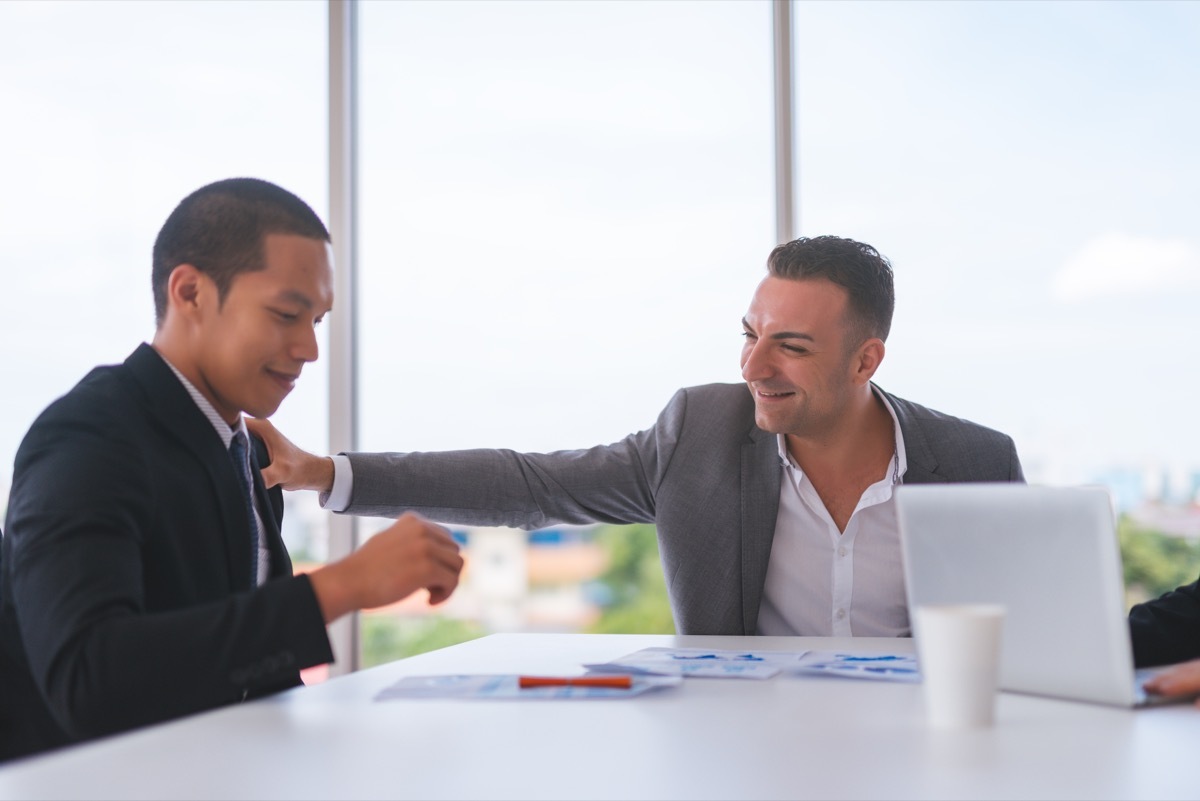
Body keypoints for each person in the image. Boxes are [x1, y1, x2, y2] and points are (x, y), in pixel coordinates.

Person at [250, 235, 1024, 639]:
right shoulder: (702, 432)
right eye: (750, 333)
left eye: (790, 345)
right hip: (741, 754)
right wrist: (329, 472)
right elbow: (532, 484)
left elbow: (1035, 645)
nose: (753, 364)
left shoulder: (977, 463)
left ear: (866, 359)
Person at [0, 178, 464, 762]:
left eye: (316, 321)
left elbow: (254, 677)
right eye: (285, 314)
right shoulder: (88, 437)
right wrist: (343, 586)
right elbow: (87, 678)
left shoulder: (244, 451)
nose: (308, 349)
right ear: (190, 292)